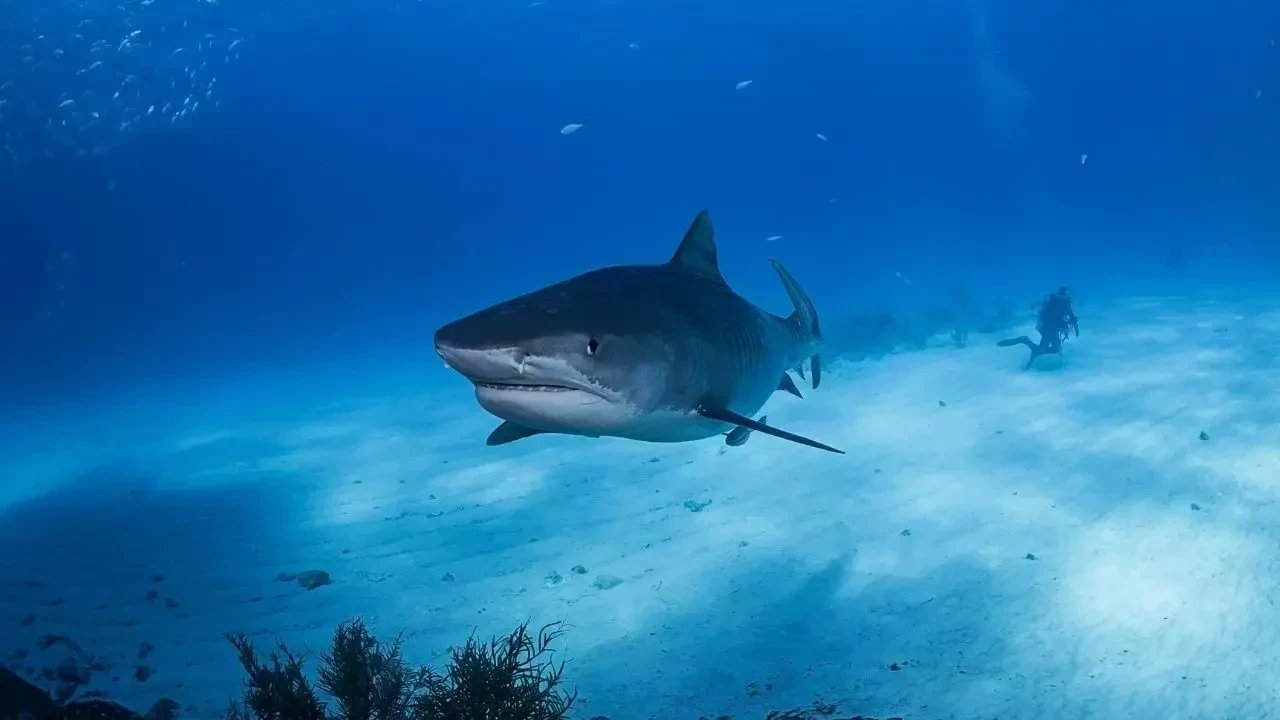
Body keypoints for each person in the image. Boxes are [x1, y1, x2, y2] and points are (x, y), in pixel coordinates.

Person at [997, 286, 1079, 369]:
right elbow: (1049, 318)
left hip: (1054, 329)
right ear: (1060, 295)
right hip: (1048, 329)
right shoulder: (1054, 303)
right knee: (1047, 349)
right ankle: (1025, 341)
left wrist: (1075, 326)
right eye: (1064, 295)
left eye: (1067, 295)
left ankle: (1030, 357)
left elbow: (1071, 316)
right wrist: (1063, 323)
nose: (1066, 297)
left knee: (1053, 349)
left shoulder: (1067, 304)